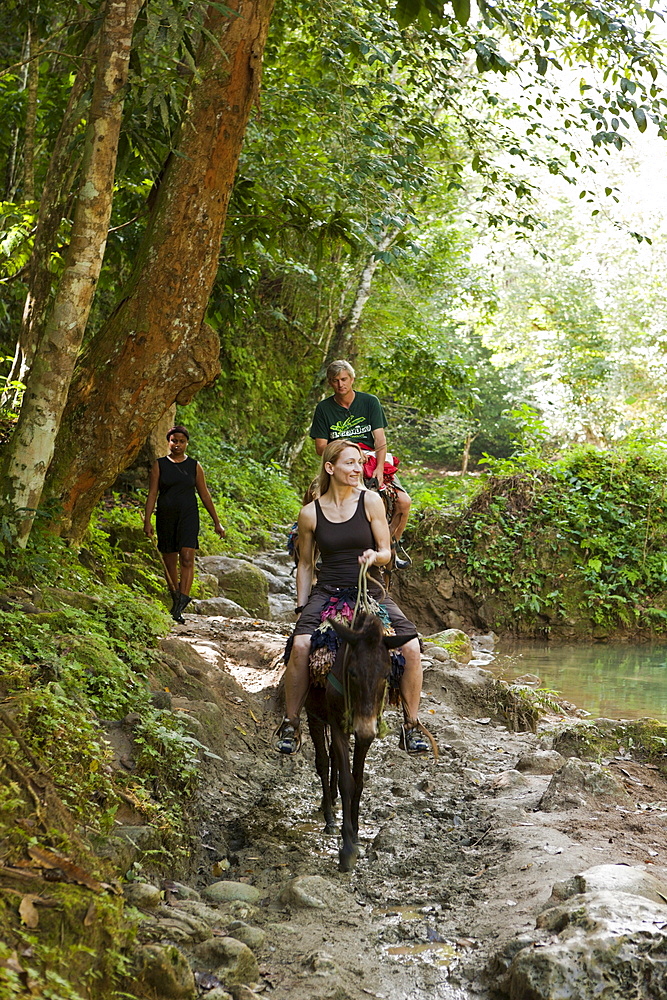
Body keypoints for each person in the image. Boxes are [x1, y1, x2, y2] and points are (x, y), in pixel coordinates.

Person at [274, 439, 429, 755]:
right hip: (328, 592)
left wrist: (376, 556)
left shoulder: (371, 501)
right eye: (350, 463)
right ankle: (291, 723)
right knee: (301, 645)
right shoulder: (310, 514)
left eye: (360, 463)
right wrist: (302, 606)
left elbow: (387, 551)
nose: (358, 469)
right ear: (330, 468)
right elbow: (305, 564)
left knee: (412, 648)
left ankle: (411, 725)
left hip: (370, 591)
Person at [310, 359, 412, 568]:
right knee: (317, 497)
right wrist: (348, 448)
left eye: (344, 379)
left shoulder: (369, 402)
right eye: (335, 380)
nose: (340, 385)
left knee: (404, 502)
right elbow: (321, 447)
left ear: (352, 379)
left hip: (372, 457)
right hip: (339, 460)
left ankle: (391, 547)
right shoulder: (324, 408)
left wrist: (380, 469)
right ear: (330, 383)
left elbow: (380, 440)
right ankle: (320, 549)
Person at [143, 425, 225, 622]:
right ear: (168, 442)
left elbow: (204, 494)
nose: (177, 445)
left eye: (181, 441)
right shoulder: (160, 465)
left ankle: (182, 602)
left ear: (186, 443)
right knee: (169, 559)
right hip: (165, 516)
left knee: (187, 557)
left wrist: (217, 522)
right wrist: (147, 520)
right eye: (174, 441)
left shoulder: (194, 466)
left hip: (188, 515)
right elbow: (153, 493)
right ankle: (175, 599)